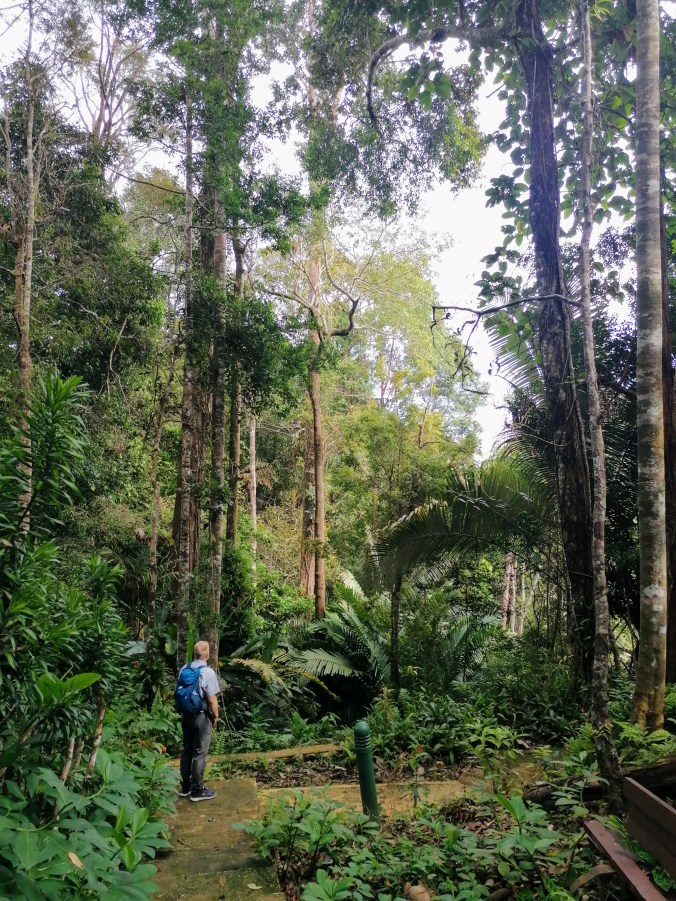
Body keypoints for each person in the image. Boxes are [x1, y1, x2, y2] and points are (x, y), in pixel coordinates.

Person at [177, 640, 219, 802]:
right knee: (199, 753)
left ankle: (185, 787)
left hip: (185, 715)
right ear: (207, 654)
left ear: (194, 654)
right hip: (201, 717)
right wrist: (215, 716)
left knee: (187, 750)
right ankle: (197, 791)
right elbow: (212, 700)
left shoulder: (184, 669)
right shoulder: (207, 672)